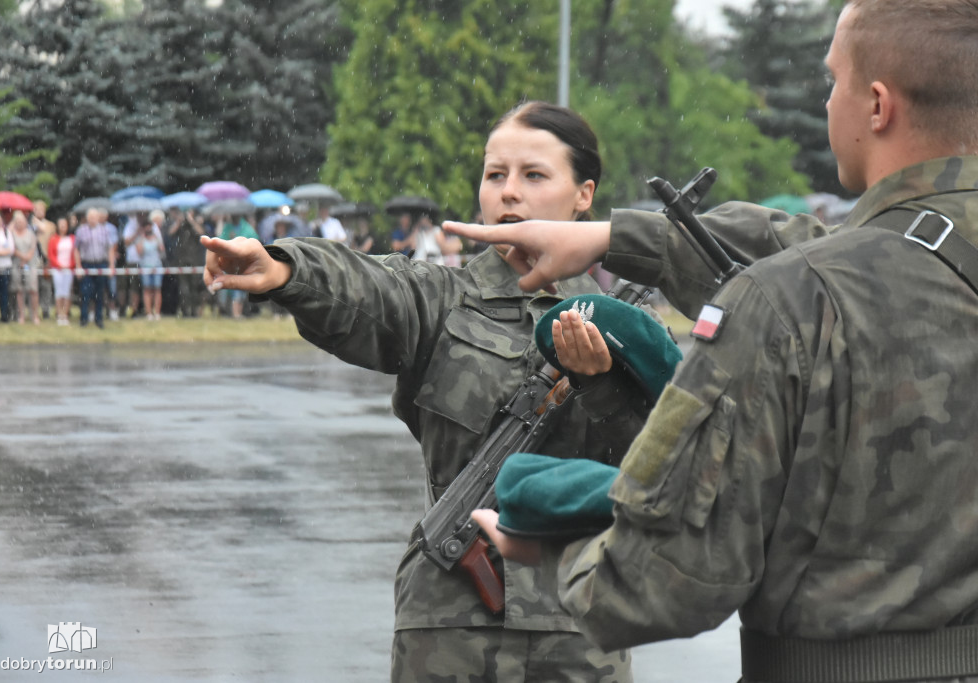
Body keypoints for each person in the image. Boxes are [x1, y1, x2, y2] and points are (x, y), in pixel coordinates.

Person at [450, 2, 978, 681]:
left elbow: (663, 579)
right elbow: (854, 251)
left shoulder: (785, 303)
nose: (826, 103)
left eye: (833, 81)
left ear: (877, 105)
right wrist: (615, 237)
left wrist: (543, 543)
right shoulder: (832, 281)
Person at [203, 101, 655, 683]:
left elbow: (661, 466)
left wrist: (602, 387)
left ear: (584, 194)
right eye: (496, 175)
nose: (509, 193)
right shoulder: (443, 300)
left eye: (534, 175)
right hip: (449, 621)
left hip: (582, 625)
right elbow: (369, 288)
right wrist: (287, 271)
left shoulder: (624, 326)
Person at [73, 207, 116, 329]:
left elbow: (110, 249)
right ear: (87, 218)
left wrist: (111, 266)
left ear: (98, 218)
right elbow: (76, 249)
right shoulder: (81, 230)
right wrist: (78, 266)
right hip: (86, 264)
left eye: (94, 217)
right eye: (90, 217)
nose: (92, 219)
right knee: (85, 293)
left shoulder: (104, 231)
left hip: (101, 264)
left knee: (100, 293)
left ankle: (99, 319)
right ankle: (84, 319)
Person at [168, 209, 209, 318]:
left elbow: (202, 233)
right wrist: (178, 221)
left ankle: (194, 312)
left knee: (194, 288)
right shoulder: (181, 225)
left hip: (194, 261)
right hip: (182, 262)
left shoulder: (196, 223)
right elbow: (170, 233)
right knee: (184, 289)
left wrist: (191, 221)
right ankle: (185, 312)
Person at [9, 210, 42, 325]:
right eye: (17, 221)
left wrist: (26, 257)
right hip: (17, 265)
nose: (19, 223)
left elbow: (33, 248)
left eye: (21, 221)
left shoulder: (31, 233)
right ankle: (21, 315)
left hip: (30, 265)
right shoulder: (11, 233)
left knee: (33, 290)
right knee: (19, 291)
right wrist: (22, 257)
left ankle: (35, 315)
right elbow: (11, 248)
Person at [135, 215, 166, 321]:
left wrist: (157, 238)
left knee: (157, 289)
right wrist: (142, 237)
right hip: (145, 266)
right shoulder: (140, 239)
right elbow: (139, 252)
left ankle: (157, 312)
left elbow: (162, 249)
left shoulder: (156, 237)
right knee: (147, 289)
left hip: (157, 266)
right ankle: (149, 313)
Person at [47, 217, 76, 326]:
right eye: (61, 224)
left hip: (69, 269)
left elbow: (75, 253)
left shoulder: (72, 238)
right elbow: (51, 255)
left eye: (65, 224)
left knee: (67, 291)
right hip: (57, 269)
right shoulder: (53, 239)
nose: (63, 227)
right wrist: (59, 265)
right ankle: (59, 313)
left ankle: (65, 313)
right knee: (59, 291)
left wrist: (70, 265)